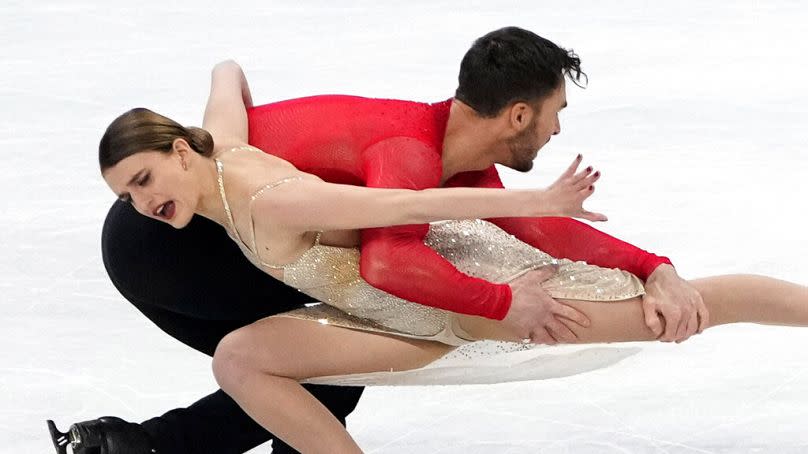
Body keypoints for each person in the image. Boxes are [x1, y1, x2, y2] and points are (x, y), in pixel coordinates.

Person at [49, 27, 704, 454]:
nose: (558, 130)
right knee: (323, 360)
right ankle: (137, 448)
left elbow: (538, 228)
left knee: (319, 368)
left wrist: (656, 267)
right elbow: (393, 250)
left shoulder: (444, 153)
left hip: (144, 230)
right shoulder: (404, 148)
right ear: (518, 114)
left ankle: (127, 446)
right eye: (556, 114)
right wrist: (503, 306)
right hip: (178, 249)